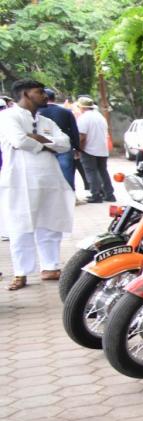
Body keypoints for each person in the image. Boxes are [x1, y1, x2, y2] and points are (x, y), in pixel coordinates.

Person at [0, 79, 74, 290]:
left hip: (49, 178)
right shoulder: (7, 117)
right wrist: (48, 144)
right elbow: (19, 141)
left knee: (50, 223)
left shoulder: (45, 121)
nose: (44, 95)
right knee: (20, 224)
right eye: (39, 92)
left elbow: (65, 144)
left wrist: (37, 139)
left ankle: (50, 267)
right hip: (19, 179)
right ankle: (21, 272)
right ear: (25, 94)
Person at [36, 88, 81, 193]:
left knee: (46, 173)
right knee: (66, 172)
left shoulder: (38, 112)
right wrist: (77, 147)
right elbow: (74, 130)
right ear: (54, 98)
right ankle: (70, 195)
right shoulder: (66, 112)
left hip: (45, 147)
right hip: (63, 147)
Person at [75, 96, 115, 203]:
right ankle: (109, 194)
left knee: (91, 172)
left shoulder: (83, 118)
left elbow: (82, 137)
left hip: (89, 149)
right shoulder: (100, 117)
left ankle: (96, 195)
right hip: (102, 149)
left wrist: (79, 149)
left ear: (81, 107)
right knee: (103, 171)